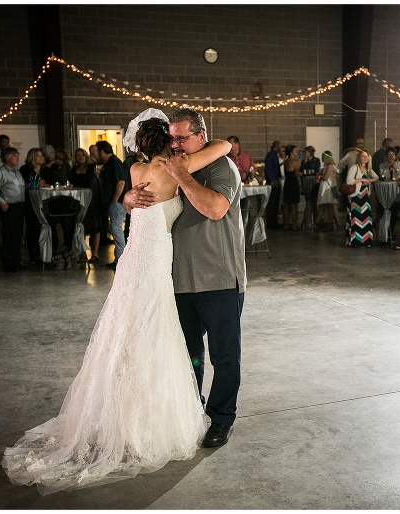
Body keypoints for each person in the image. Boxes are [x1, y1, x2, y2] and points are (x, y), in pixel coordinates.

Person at [2, 109, 232, 495]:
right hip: (156, 259)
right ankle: (143, 421)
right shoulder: (177, 165)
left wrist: (126, 197)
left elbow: (132, 201)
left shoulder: (138, 172)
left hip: (132, 259)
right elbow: (226, 145)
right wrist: (188, 152)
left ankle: (118, 415)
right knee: (152, 330)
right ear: (166, 141)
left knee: (125, 330)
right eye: (172, 139)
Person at [125, 107, 245, 449]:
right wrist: (129, 199)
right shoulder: (168, 165)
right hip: (175, 280)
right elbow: (145, 199)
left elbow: (215, 209)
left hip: (219, 278)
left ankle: (222, 419)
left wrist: (182, 176)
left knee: (224, 356)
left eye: (182, 138)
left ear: (200, 137)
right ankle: (191, 413)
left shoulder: (223, 167)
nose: (175, 144)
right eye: (171, 138)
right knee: (187, 354)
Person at [0, 147, 26, 272]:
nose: (18, 158)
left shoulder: (17, 172)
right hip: (9, 206)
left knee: (18, 235)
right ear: (7, 158)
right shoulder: (1, 172)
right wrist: (1, 201)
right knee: (8, 235)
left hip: (19, 206)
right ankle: (8, 263)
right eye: (15, 156)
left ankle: (16, 261)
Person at [68, 148, 104, 262]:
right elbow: (71, 182)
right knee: (80, 226)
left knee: (94, 227)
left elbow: (94, 182)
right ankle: (82, 253)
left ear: (86, 156)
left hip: (91, 201)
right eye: (78, 155)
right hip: (78, 201)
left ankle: (95, 253)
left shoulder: (91, 168)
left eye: (82, 155)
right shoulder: (74, 169)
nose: (80, 157)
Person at [97, 140, 126, 270]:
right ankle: (118, 259)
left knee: (116, 229)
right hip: (113, 202)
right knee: (115, 230)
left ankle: (122, 260)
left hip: (117, 203)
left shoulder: (114, 162)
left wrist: (115, 200)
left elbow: (121, 182)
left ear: (102, 151)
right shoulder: (109, 163)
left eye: (98, 151)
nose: (98, 154)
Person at [19, 148, 48, 265]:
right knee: (33, 228)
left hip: (45, 202)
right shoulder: (25, 169)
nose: (41, 158)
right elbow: (21, 186)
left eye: (42, 155)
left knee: (44, 227)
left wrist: (46, 184)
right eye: (38, 156)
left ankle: (46, 253)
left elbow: (55, 182)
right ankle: (34, 255)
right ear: (32, 157)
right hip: (30, 202)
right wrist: (33, 184)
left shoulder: (46, 170)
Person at [345, 150, 378, 248]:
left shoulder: (368, 169)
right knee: (355, 218)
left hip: (365, 197)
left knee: (366, 218)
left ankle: (366, 240)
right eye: (363, 156)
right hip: (356, 196)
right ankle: (355, 241)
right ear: (359, 157)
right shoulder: (354, 167)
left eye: (366, 156)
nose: (365, 158)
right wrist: (362, 179)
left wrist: (369, 181)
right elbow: (349, 181)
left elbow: (376, 177)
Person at [315, 151, 338, 230]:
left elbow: (324, 177)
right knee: (322, 205)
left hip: (328, 187)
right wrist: (319, 176)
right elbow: (318, 175)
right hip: (324, 186)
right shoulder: (325, 166)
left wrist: (319, 177)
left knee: (329, 205)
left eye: (322, 157)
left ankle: (330, 224)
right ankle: (317, 223)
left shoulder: (330, 166)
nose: (321, 159)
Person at [281, 145, 301, 230]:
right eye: (295, 151)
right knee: (294, 205)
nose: (297, 152)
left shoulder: (286, 161)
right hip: (293, 184)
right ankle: (294, 225)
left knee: (286, 205)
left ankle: (286, 224)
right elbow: (296, 174)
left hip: (287, 183)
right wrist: (301, 173)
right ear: (291, 152)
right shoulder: (295, 161)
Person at [264, 140, 282, 229]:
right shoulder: (271, 155)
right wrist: (271, 179)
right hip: (273, 180)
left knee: (275, 202)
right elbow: (268, 168)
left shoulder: (274, 155)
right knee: (272, 202)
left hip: (275, 179)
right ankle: (271, 222)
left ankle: (274, 221)